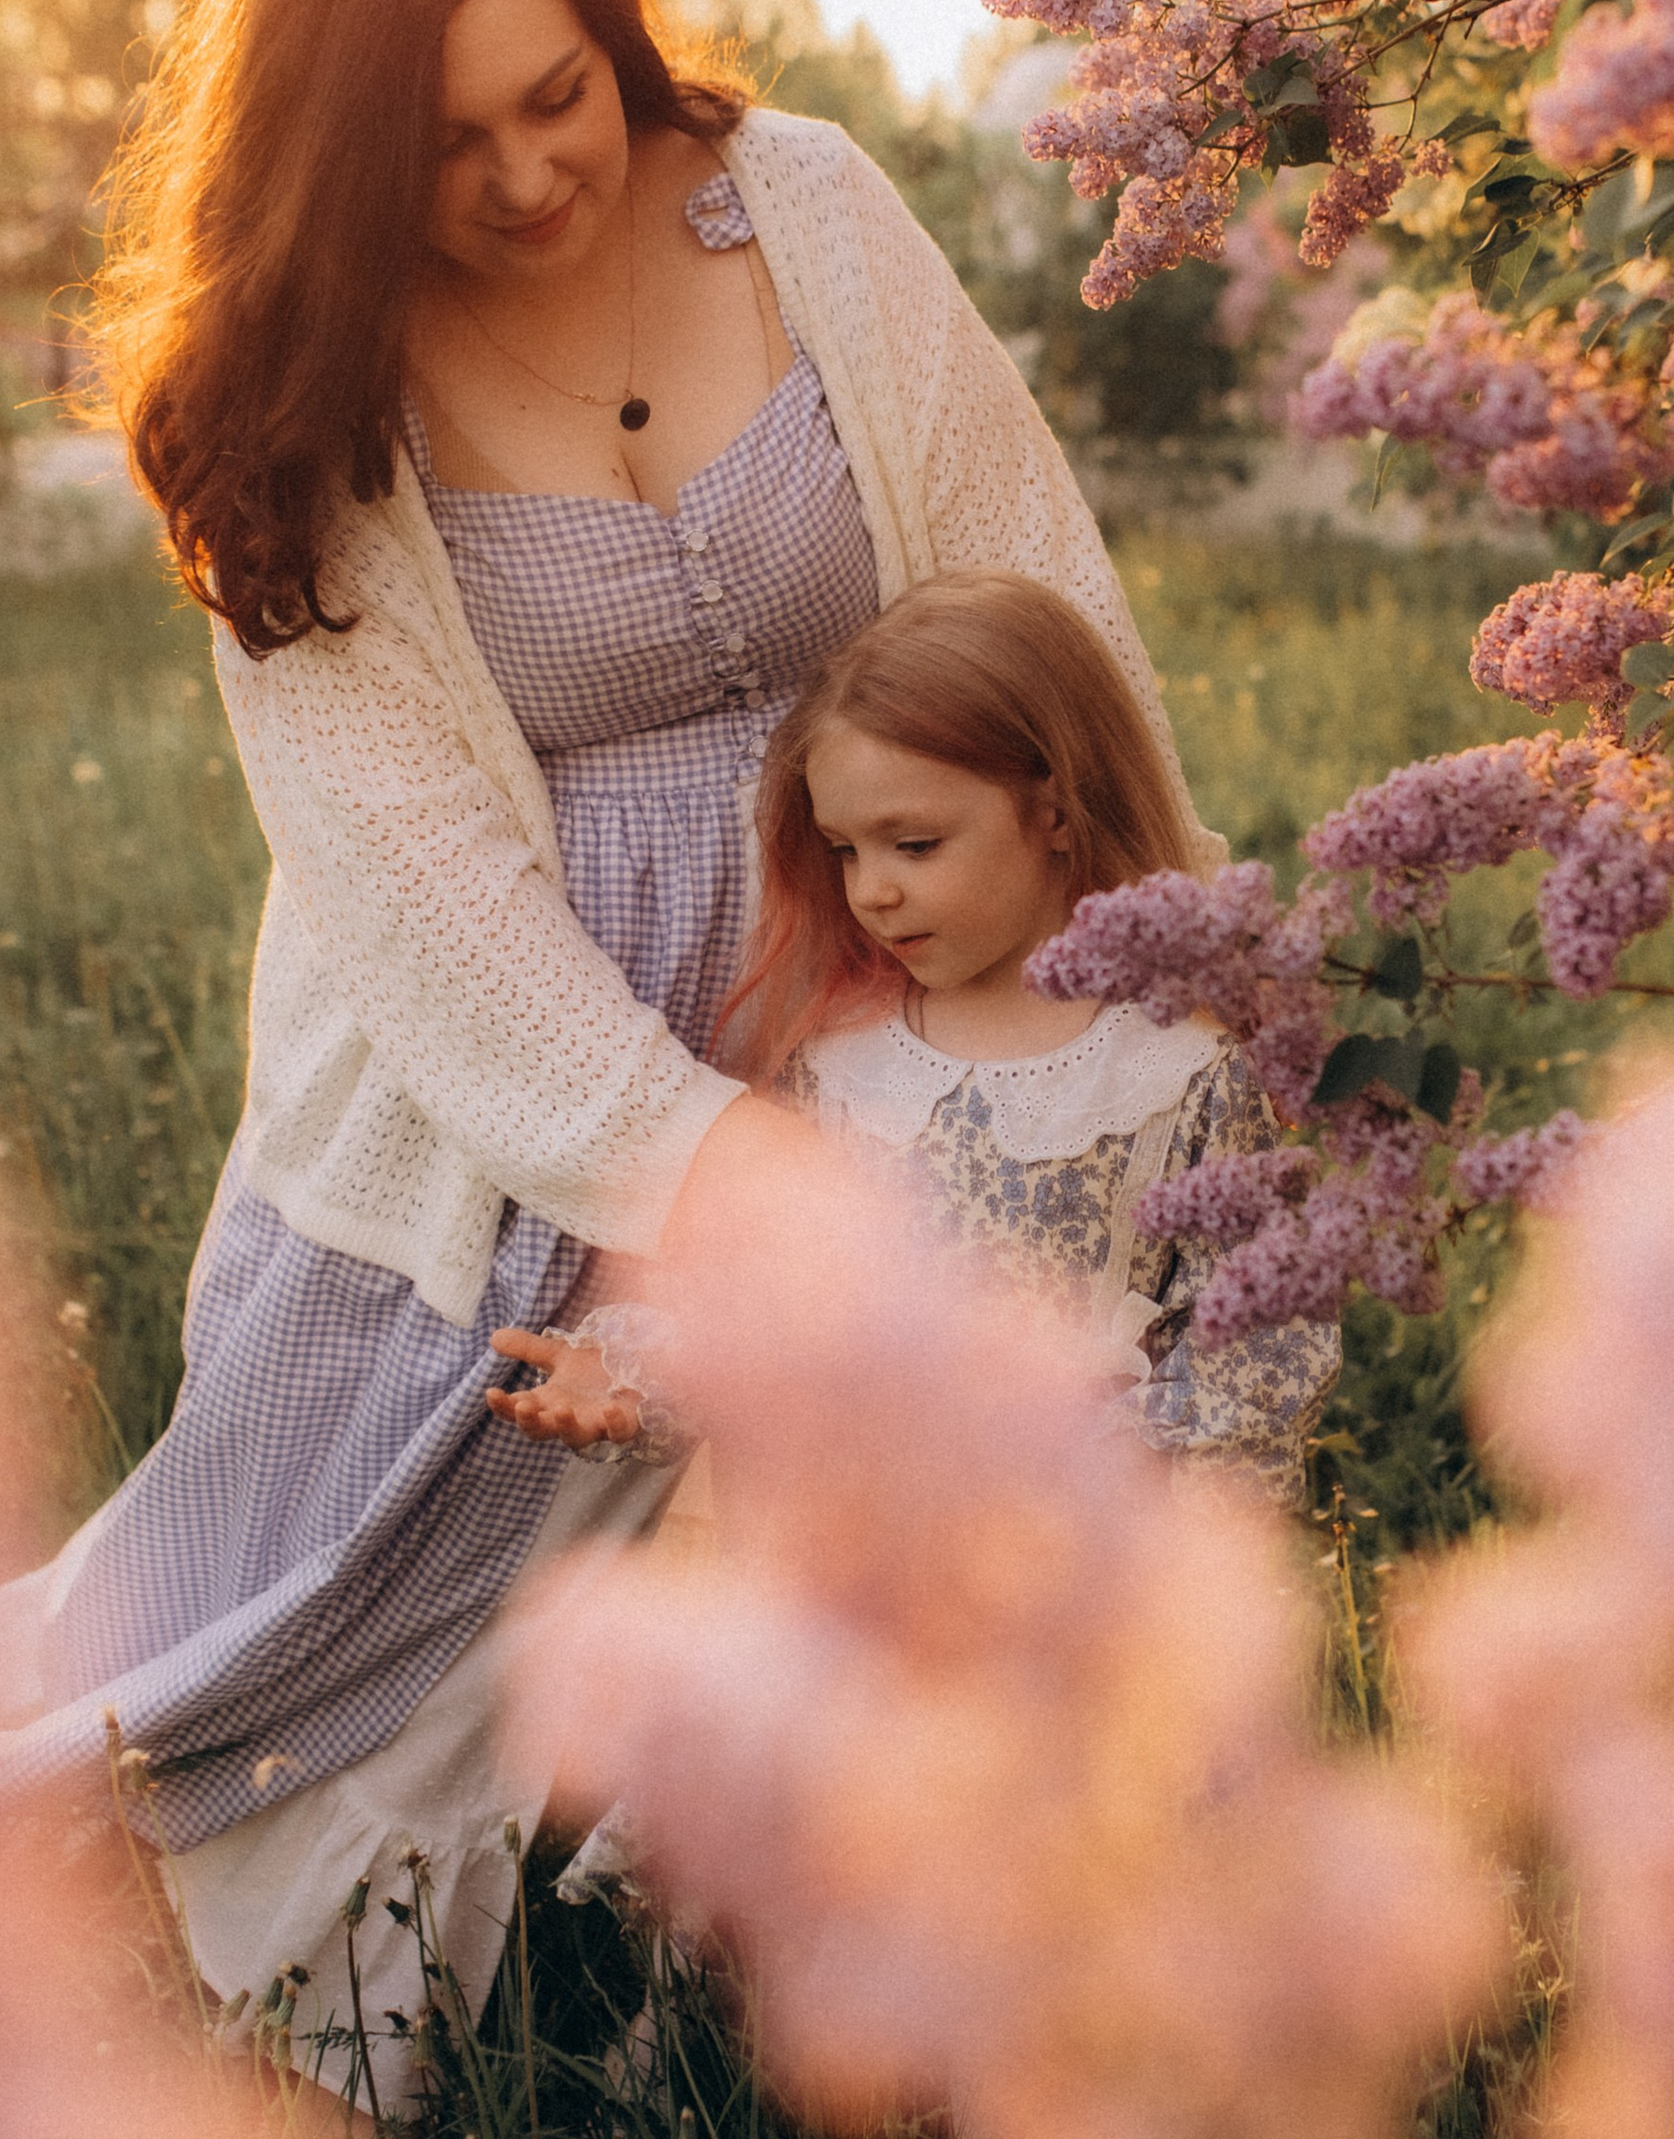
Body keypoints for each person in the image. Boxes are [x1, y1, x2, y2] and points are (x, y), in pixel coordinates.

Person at [0, 0, 1217, 2114]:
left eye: (561, 95)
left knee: (943, 1513)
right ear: (339, 160)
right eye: (451, 143)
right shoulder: (308, 391)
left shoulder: (803, 208)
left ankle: (870, 2016)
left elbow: (1036, 578)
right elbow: (409, 877)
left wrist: (1143, 946)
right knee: (337, 1616)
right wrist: (715, 1180)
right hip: (509, 1085)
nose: (536, 175)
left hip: (899, 982)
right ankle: (286, 2059)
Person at [493, 572, 1339, 1506]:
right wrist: (637, 1376)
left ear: (1054, 810)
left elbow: (1253, 1350)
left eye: (915, 845)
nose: (871, 890)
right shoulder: (840, 1055)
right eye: (847, 849)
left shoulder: (1181, 1067)